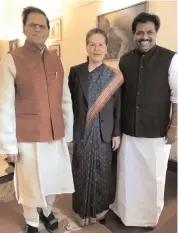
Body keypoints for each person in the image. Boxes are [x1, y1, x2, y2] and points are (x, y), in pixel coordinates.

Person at [0, 6, 74, 233]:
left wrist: (69, 133)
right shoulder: (11, 60)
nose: (38, 29)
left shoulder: (56, 60)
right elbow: (4, 105)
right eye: (33, 25)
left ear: (48, 30)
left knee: (54, 178)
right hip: (28, 136)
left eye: (43, 26)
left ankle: (48, 210)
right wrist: (8, 145)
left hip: (55, 134)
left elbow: (65, 99)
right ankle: (32, 219)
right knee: (31, 182)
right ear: (24, 28)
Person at [110, 12, 178, 229]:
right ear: (134, 35)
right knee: (128, 175)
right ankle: (126, 214)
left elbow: (177, 95)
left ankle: (149, 218)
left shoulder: (171, 58)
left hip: (157, 130)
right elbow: (119, 94)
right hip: (129, 129)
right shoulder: (125, 60)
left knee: (153, 178)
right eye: (140, 32)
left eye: (149, 32)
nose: (145, 36)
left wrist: (175, 125)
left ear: (156, 33)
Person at [68, 28, 124, 226]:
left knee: (102, 172)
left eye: (101, 44)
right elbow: (70, 103)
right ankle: (80, 212)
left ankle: (99, 212)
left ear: (106, 48)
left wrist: (117, 133)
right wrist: (69, 133)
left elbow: (118, 107)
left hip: (104, 132)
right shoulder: (76, 72)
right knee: (80, 171)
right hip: (82, 130)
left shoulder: (114, 76)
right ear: (86, 46)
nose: (97, 48)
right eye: (92, 44)